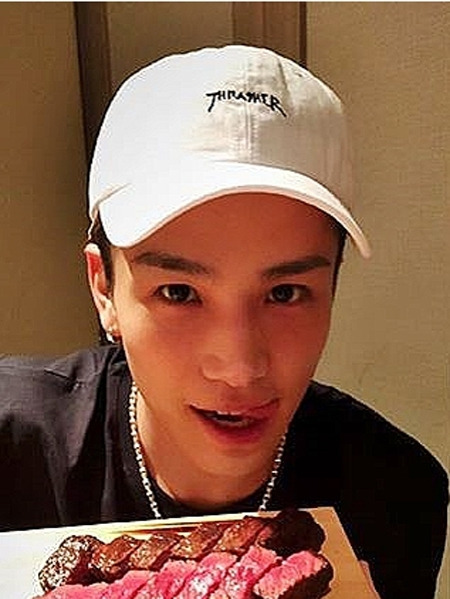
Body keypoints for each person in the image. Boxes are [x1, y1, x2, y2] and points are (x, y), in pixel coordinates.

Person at [0, 45, 447, 599]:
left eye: (284, 293)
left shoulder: (398, 492)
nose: (239, 367)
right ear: (104, 289)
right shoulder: (13, 448)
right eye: (179, 292)